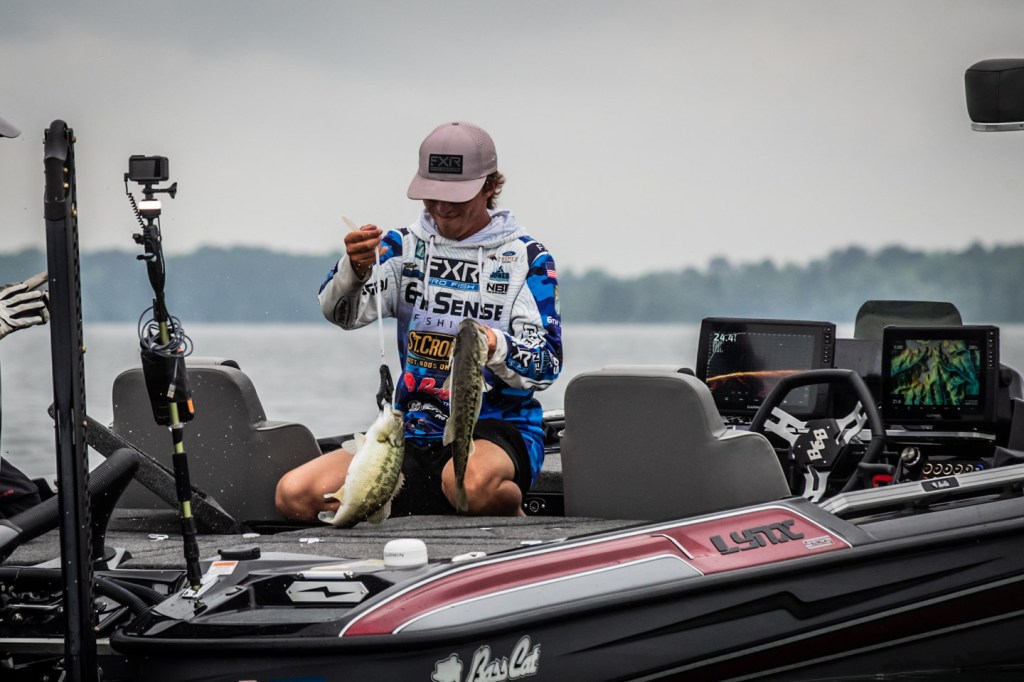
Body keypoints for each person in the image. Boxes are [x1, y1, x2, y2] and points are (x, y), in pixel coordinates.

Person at [276, 121, 562, 521]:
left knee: (469, 486)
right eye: (432, 194)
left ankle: (513, 517)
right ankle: (414, 508)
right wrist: (354, 270)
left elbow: (547, 365)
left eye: (455, 196)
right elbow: (339, 313)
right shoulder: (401, 248)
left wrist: (496, 346)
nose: (441, 207)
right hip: (409, 429)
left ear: (489, 186)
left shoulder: (527, 259)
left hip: (497, 428)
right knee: (294, 494)